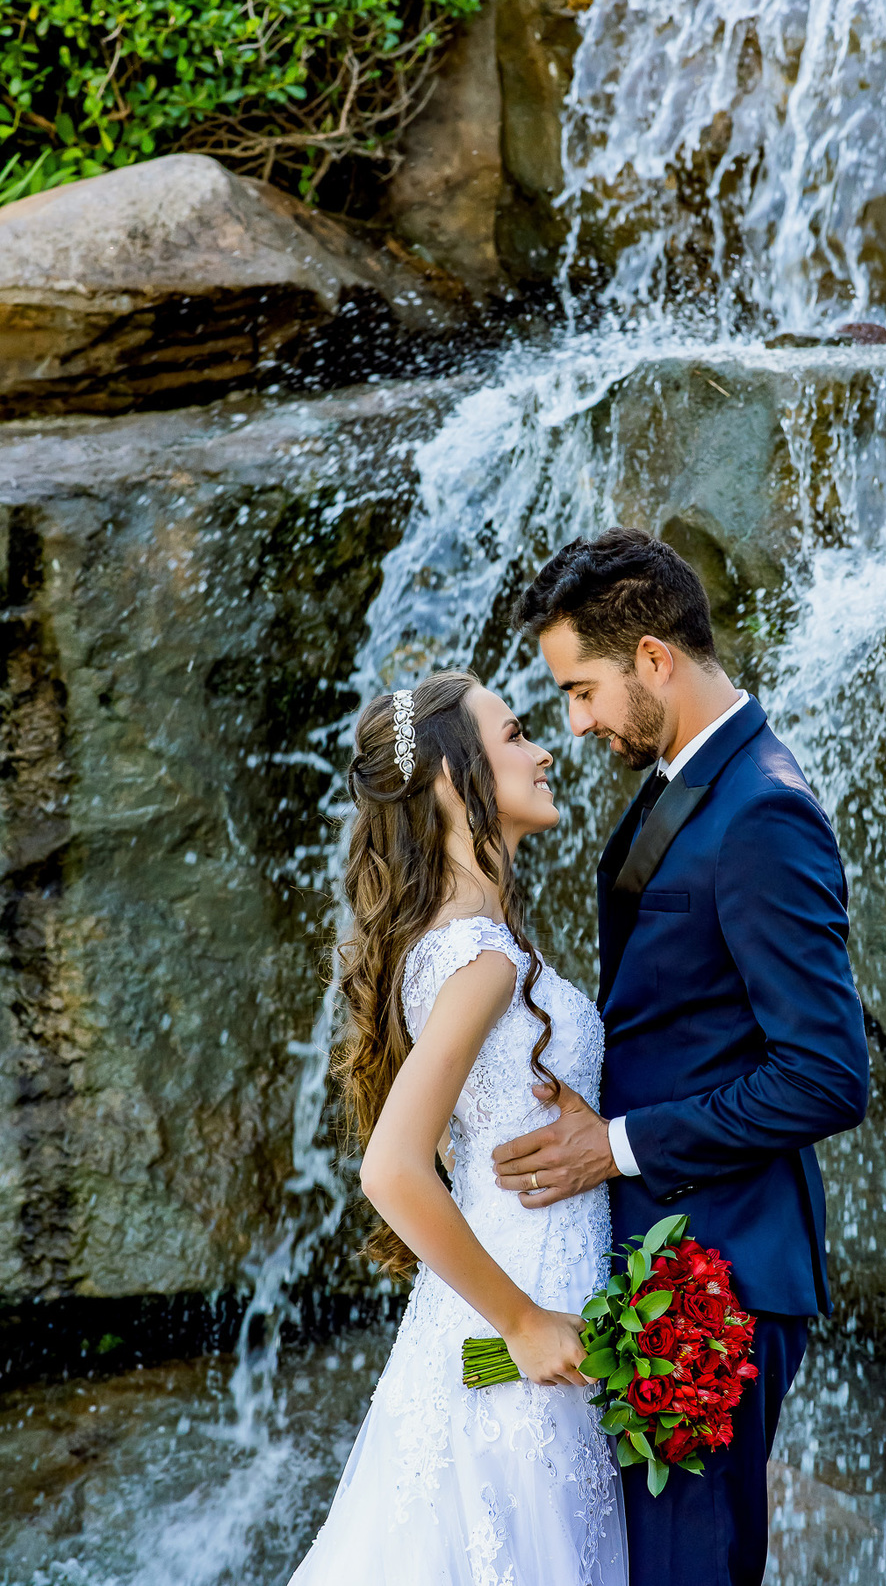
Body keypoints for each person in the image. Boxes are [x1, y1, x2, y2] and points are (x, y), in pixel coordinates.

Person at [493, 528, 871, 1586]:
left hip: (713, 1287)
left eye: (583, 689)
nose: (577, 723)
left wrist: (613, 1145)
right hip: (657, 1259)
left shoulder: (765, 812)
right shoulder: (686, 779)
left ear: (654, 658)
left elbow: (827, 1074)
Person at [289, 671, 627, 1586]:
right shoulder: (476, 958)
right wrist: (521, 1323)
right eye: (516, 734)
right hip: (517, 1329)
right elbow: (392, 1168)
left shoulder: (464, 937)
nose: (546, 748)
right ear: (451, 776)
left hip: (524, 1302)